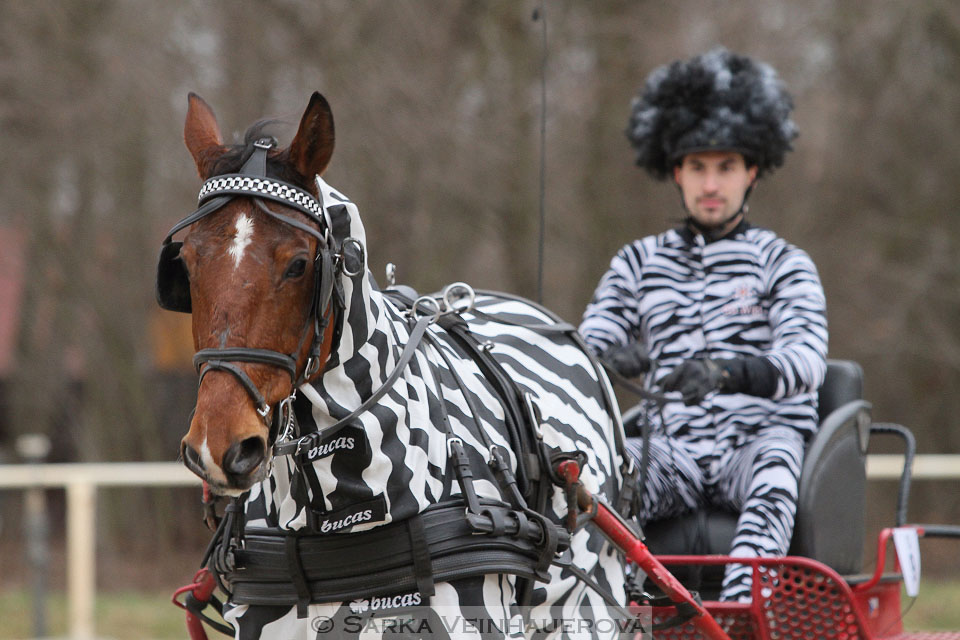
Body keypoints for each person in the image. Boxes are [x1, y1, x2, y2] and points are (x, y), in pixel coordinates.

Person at [579, 48, 828, 602]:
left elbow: (807, 360)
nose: (711, 184)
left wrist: (725, 372)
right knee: (602, 486)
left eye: (726, 167)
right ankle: (618, 611)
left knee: (775, 475)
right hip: (674, 448)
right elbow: (586, 344)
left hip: (758, 442)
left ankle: (741, 615)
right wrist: (607, 359)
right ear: (675, 171)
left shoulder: (784, 262)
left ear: (752, 171)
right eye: (697, 167)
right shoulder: (637, 262)